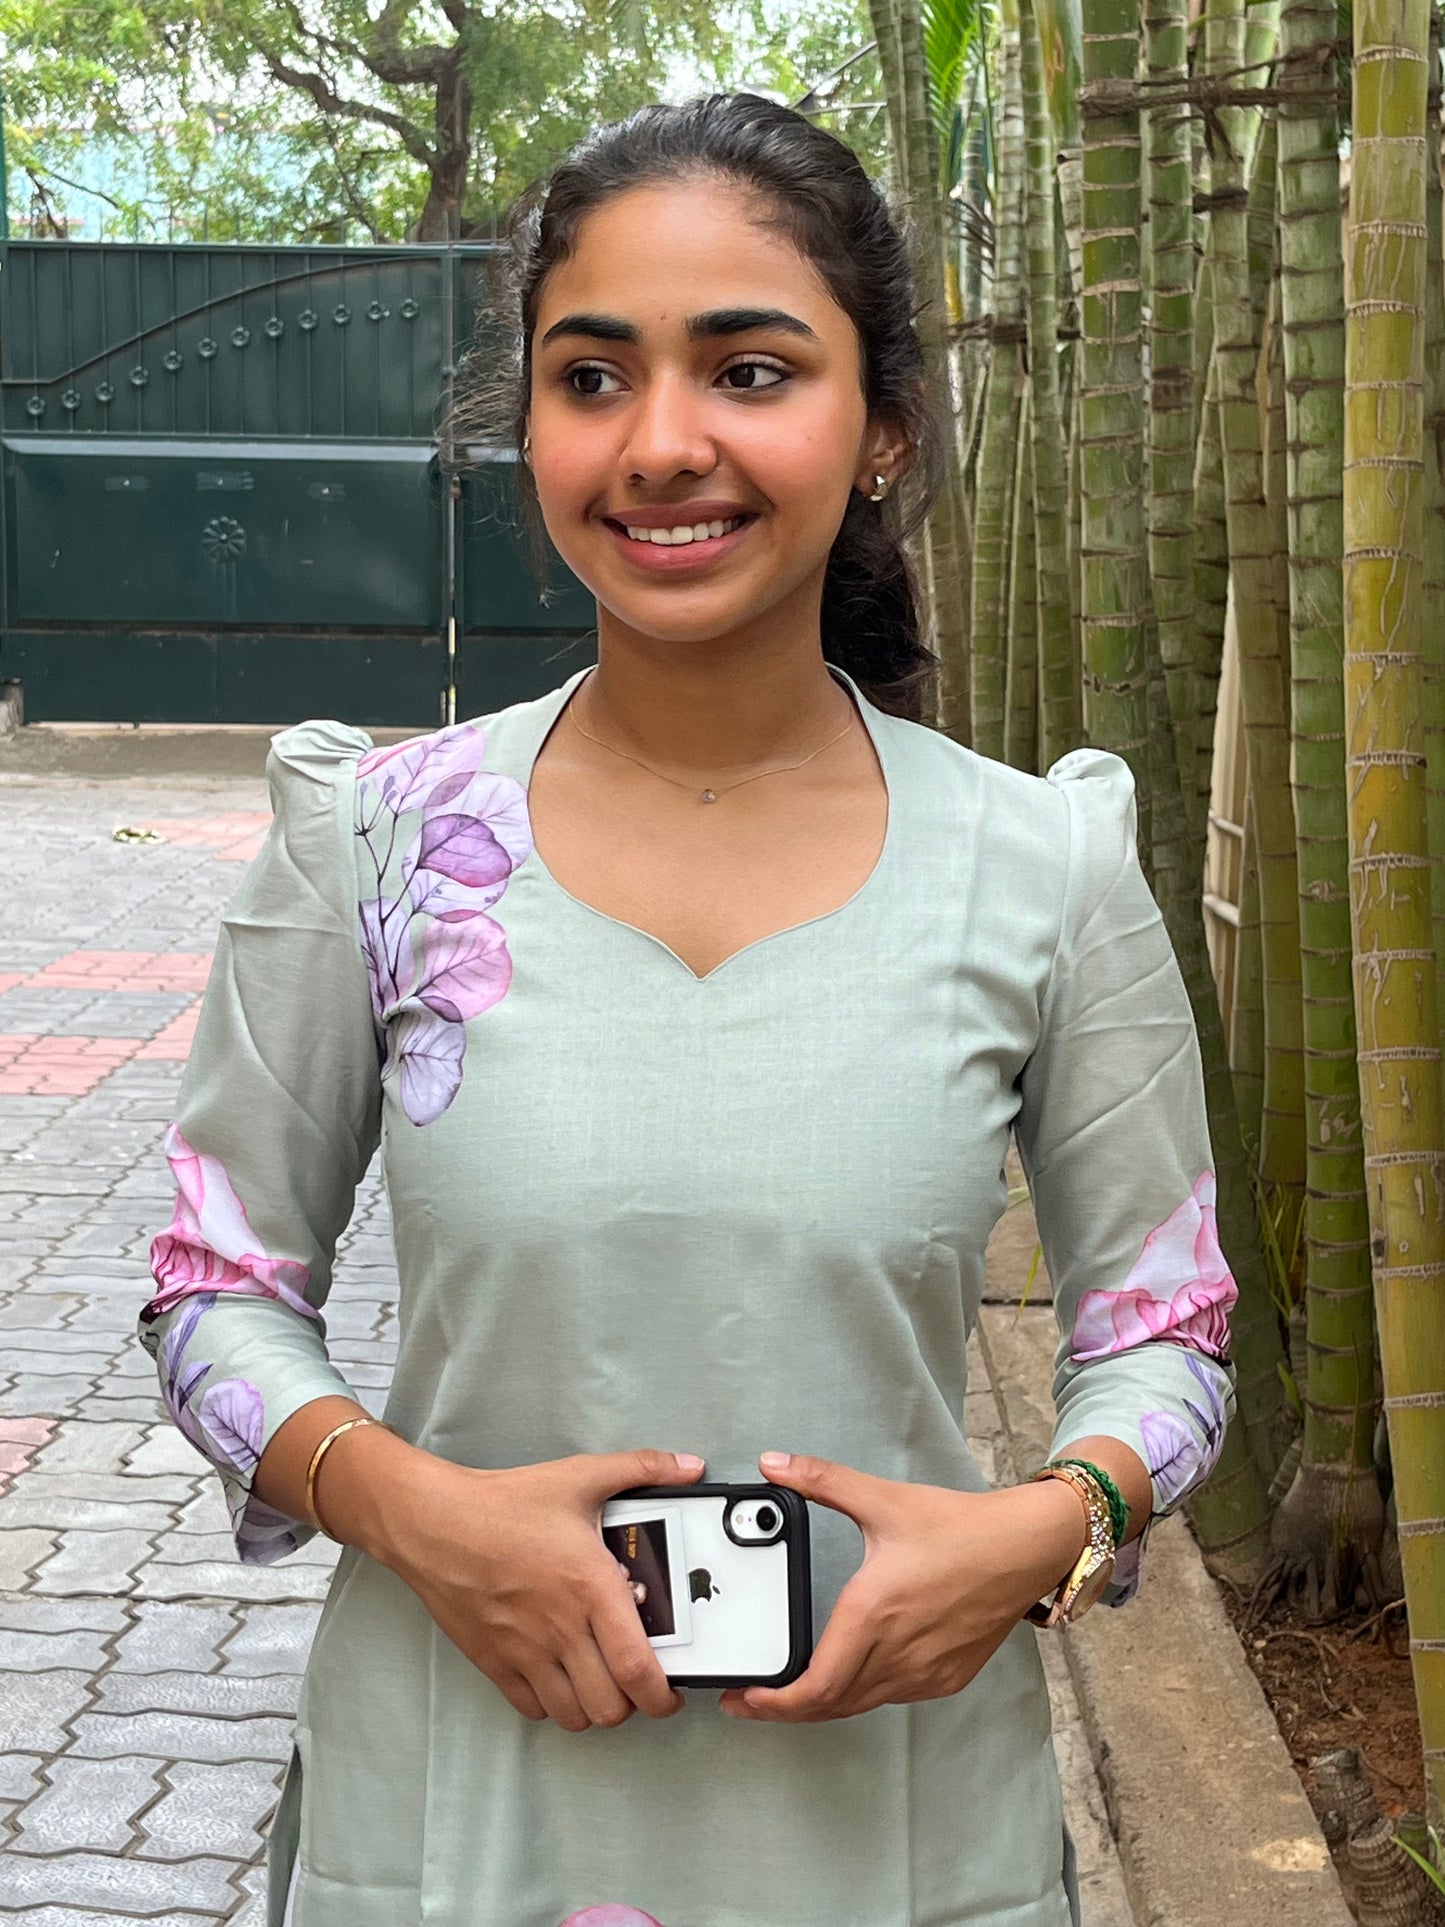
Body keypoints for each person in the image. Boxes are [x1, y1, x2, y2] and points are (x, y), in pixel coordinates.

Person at [137, 92, 1236, 1927]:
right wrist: (417, 1511)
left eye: (748, 369)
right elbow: (213, 1290)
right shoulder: (376, 843)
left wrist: (1048, 1529)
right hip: (459, 1811)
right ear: (532, 428)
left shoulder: (1041, 865)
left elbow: (1170, 1338)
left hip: (891, 1822)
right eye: (592, 378)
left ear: (879, 427)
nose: (663, 445)